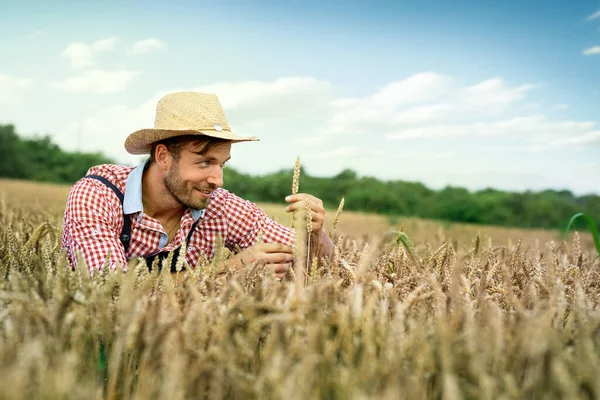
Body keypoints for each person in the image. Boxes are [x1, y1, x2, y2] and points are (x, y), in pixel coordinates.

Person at [61, 91, 333, 279]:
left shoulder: (220, 205)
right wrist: (228, 270)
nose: (218, 180)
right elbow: (110, 291)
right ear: (163, 156)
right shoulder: (98, 194)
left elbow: (314, 269)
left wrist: (315, 236)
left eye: (222, 164)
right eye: (205, 163)